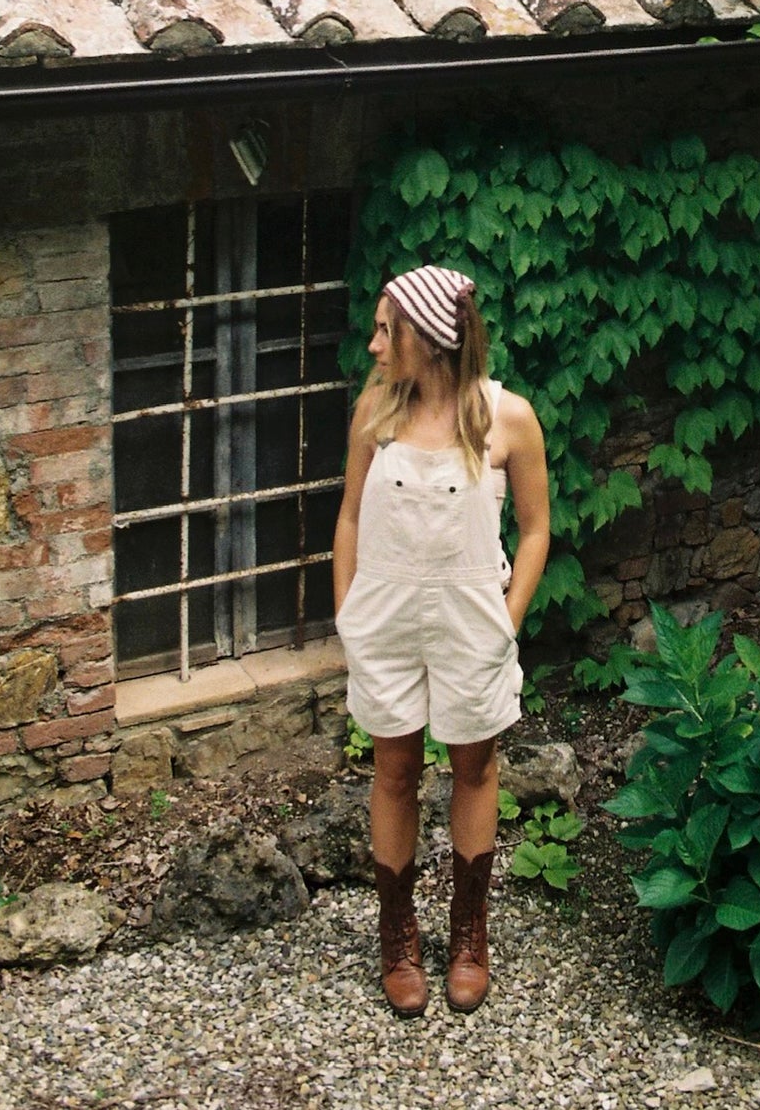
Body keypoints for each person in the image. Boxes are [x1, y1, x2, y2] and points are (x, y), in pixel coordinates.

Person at [332, 264, 550, 1016]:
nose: (373, 345)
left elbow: (535, 528)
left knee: (475, 763)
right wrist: (348, 618)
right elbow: (351, 519)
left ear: (426, 337)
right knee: (392, 768)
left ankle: (468, 935)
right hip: (386, 620)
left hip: (468, 624)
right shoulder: (374, 413)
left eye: (385, 329)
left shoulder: (506, 419)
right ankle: (397, 936)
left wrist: (506, 620)